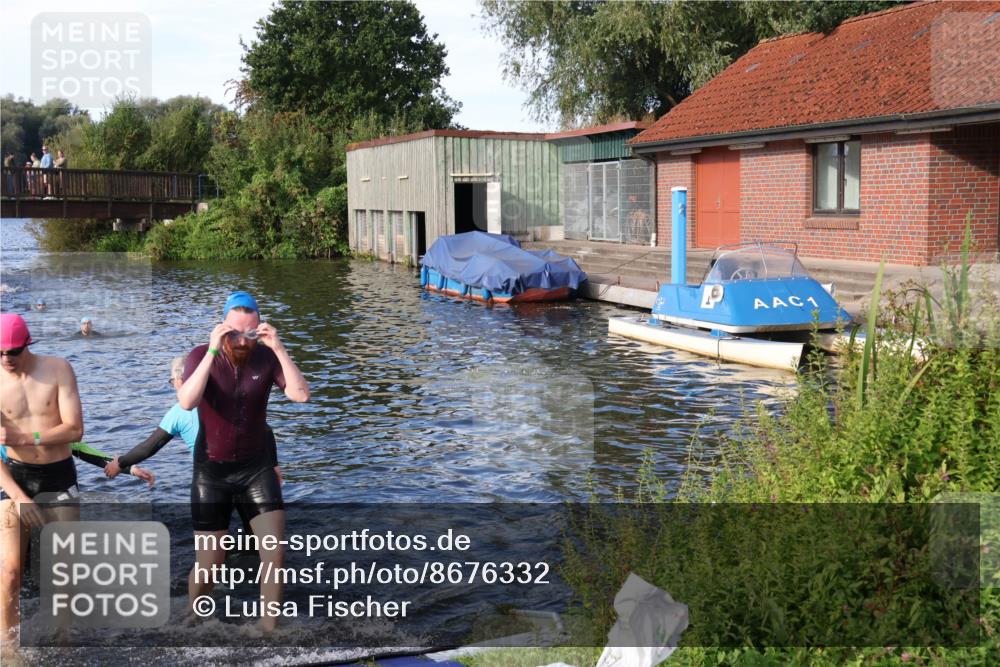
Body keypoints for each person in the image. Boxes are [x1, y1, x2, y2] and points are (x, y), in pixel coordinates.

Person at [0, 314, 152, 647]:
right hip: (15, 479)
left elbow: (75, 430)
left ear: (27, 344)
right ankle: (9, 650)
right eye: (0, 353)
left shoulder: (57, 370)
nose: (6, 359)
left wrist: (25, 437)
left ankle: (63, 639)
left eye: (13, 352)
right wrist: (20, 498)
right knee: (10, 573)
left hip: (58, 478)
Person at [178, 291, 309, 630]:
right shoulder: (200, 356)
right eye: (233, 333)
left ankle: (268, 632)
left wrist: (279, 348)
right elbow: (187, 401)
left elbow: (301, 395)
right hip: (212, 473)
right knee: (210, 565)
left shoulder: (266, 358)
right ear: (221, 328)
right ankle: (194, 617)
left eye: (249, 334)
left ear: (259, 330)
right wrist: (212, 349)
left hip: (256, 469)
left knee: (274, 555)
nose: (241, 341)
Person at [105, 357, 282, 534]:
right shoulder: (228, 398)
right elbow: (264, 429)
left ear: (180, 380)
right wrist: (274, 466)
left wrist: (119, 463)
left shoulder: (179, 412)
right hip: (252, 474)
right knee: (257, 536)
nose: (173, 386)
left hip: (214, 480)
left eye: (172, 381)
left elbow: (149, 447)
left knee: (213, 540)